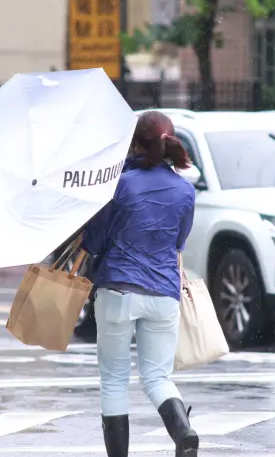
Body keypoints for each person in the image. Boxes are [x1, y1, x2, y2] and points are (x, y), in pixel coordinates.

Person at [81, 111, 198, 457]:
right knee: (157, 377)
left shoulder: (119, 185)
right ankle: (184, 432)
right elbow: (178, 242)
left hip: (118, 290)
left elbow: (96, 242)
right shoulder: (185, 190)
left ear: (133, 143)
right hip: (164, 294)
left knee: (115, 379)